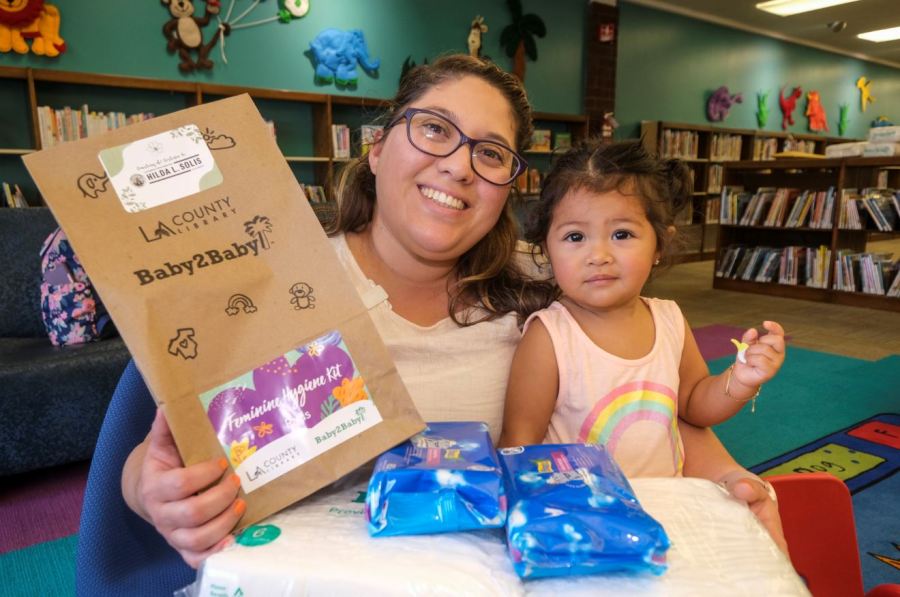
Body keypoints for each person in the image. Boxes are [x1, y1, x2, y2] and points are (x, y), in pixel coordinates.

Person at [120, 56, 788, 571]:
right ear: (378, 148)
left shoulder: (554, 283)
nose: (459, 166)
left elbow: (652, 398)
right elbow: (156, 457)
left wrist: (728, 477)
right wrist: (156, 492)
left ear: (508, 191)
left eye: (490, 152)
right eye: (435, 129)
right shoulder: (271, 281)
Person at [499, 139, 787, 537]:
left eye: (621, 234)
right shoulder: (550, 336)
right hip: (586, 518)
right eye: (575, 238)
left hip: (669, 505)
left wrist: (738, 381)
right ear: (546, 249)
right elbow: (518, 444)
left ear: (660, 244)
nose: (598, 254)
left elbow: (694, 406)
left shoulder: (668, 318)